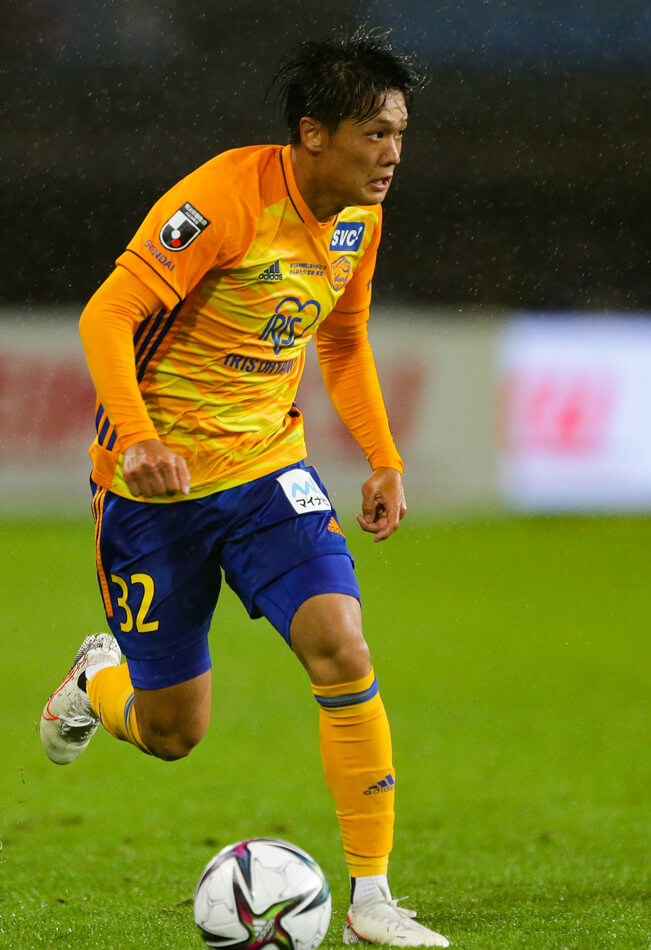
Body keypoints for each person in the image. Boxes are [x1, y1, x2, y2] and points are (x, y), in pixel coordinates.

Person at [40, 29, 448, 948]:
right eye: (374, 134)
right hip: (156, 493)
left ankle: (373, 898)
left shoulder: (358, 220)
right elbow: (107, 314)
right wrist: (139, 438)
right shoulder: (222, 200)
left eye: (399, 134)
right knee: (172, 732)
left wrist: (382, 455)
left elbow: (341, 339)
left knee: (341, 644)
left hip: (269, 472)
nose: (391, 154)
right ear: (313, 134)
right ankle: (96, 679)